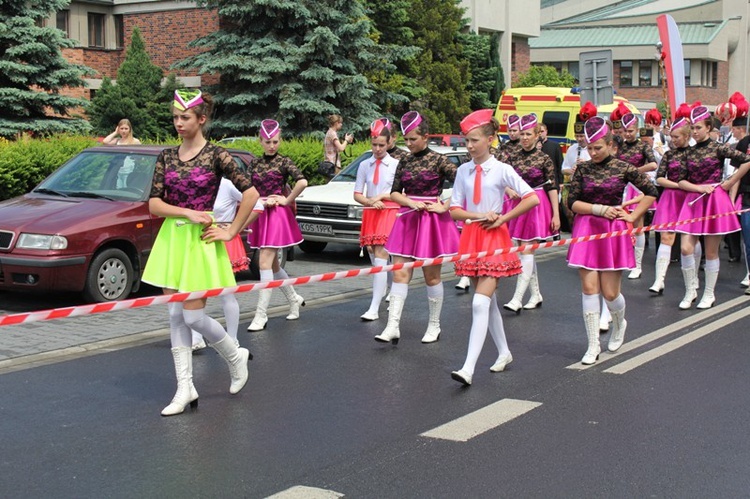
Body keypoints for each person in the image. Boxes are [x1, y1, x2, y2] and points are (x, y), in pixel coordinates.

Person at [142, 89, 259, 416]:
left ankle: (234, 356)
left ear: (201, 119)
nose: (178, 123)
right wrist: (185, 212)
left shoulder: (217, 156)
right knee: (175, 315)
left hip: (200, 243)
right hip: (173, 241)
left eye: (185, 117)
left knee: (192, 315)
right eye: (175, 117)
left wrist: (231, 230)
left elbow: (251, 195)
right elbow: (153, 204)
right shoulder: (166, 156)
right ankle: (185, 388)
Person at [449, 109, 539, 386]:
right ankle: (504, 352)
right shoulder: (463, 170)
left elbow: (532, 198)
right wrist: (478, 217)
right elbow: (454, 210)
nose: (470, 145)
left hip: (494, 238)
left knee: (479, 302)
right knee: (488, 304)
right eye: (467, 141)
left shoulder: (502, 169)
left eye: (474, 140)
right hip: (472, 236)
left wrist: (502, 218)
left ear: (490, 140)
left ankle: (468, 368)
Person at [567, 117, 657, 365]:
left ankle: (619, 323)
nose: (593, 153)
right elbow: (571, 202)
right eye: (590, 148)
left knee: (609, 292)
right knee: (588, 288)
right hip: (586, 226)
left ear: (610, 145)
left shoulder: (623, 167)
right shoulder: (583, 169)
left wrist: (632, 217)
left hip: (613, 232)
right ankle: (593, 344)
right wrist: (598, 209)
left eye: (598, 148)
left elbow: (651, 193)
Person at [375, 111, 459, 345]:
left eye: (413, 139)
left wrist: (445, 205)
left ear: (425, 136)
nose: (409, 144)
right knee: (399, 272)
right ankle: (392, 326)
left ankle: (434, 325)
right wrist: (409, 202)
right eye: (406, 140)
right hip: (407, 217)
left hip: (431, 221)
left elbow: (464, 183)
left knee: (431, 276)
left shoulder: (439, 160)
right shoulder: (405, 160)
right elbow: (394, 192)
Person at [675, 105, 750, 309]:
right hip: (693, 200)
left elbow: (747, 161)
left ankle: (709, 294)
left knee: (711, 252)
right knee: (685, 248)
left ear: (708, 128)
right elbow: (681, 181)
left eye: (698, 127)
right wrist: (698, 188)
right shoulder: (687, 152)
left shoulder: (718, 148)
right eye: (692, 128)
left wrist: (730, 181)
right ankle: (691, 291)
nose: (695, 131)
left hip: (713, 201)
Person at [246, 120, 308, 331]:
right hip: (261, 212)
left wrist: (286, 199)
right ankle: (294, 299)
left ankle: (261, 315)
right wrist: (259, 201)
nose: (271, 145)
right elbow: (247, 188)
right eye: (267, 142)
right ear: (260, 141)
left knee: (263, 263)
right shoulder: (254, 163)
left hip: (277, 216)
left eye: (275, 141)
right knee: (273, 266)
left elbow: (302, 181)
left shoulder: (284, 161)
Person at [502, 114, 560, 313]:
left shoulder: (544, 159)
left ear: (537, 136)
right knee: (523, 250)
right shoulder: (512, 157)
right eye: (523, 134)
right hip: (517, 204)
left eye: (529, 134)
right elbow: (504, 180)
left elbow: (552, 187)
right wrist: (510, 191)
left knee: (526, 250)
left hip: (536, 204)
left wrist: (556, 214)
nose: (525, 137)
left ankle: (517, 298)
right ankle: (535, 294)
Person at [191, 176, 250, 351]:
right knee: (195, 290)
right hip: (198, 240)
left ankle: (232, 339)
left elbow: (256, 204)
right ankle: (196, 338)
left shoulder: (227, 184)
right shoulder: (195, 183)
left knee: (226, 293)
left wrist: (233, 229)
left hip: (221, 242)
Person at [354, 118, 400, 320]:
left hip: (390, 211)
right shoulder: (365, 165)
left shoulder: (396, 164)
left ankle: (374, 307)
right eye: (374, 145)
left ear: (389, 143)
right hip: (372, 211)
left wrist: (381, 197)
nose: (378, 149)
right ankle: (390, 289)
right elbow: (357, 194)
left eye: (382, 145)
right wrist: (370, 202)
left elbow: (401, 193)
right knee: (375, 256)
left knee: (381, 255)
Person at [650, 118, 691, 295]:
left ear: (687, 136)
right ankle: (659, 280)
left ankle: (693, 280)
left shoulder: (695, 153)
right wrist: (676, 185)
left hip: (689, 197)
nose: (673, 140)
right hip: (671, 197)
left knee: (689, 241)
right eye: (671, 137)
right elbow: (659, 177)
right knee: (666, 237)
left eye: (677, 137)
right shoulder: (668, 154)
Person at [616, 112, 658, 279]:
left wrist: (634, 172)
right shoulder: (620, 147)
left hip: (637, 187)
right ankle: (622, 259)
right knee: (620, 224)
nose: (628, 134)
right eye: (625, 131)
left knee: (637, 226)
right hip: (622, 187)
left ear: (637, 130)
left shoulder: (643, 146)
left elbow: (654, 164)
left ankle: (637, 265)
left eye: (631, 131)